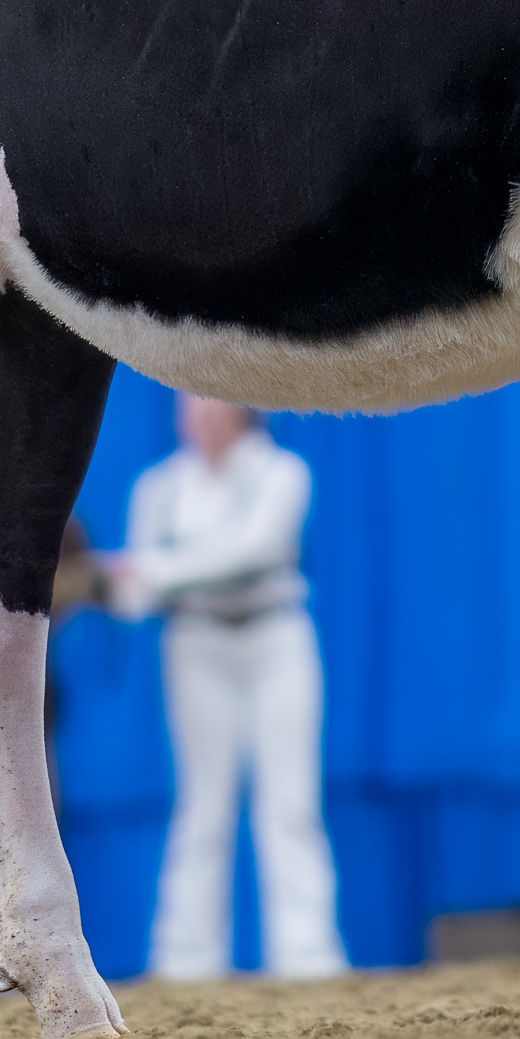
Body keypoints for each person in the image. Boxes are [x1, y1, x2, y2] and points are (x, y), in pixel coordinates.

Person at [102, 394, 346, 981]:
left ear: (243, 408)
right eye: (191, 402)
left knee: (290, 803)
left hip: (278, 640)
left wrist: (150, 571)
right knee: (201, 806)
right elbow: (135, 597)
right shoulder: (158, 488)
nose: (202, 413)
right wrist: (100, 584)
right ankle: (187, 961)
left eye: (214, 401)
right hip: (196, 645)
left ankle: (307, 956)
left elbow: (258, 551)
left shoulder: (284, 473)